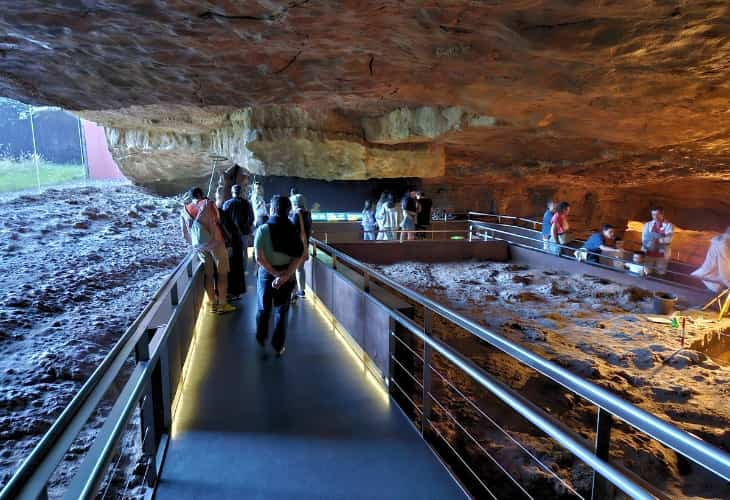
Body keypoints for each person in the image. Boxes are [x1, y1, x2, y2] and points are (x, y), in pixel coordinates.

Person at [254, 195, 306, 356]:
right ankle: (278, 345)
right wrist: (285, 275)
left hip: (267, 275)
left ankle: (261, 337)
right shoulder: (293, 230)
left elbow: (259, 258)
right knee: (282, 311)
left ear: (273, 209)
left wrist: (274, 273)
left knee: (263, 308)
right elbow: (299, 255)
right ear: (288, 210)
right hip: (286, 273)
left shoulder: (263, 229)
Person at [180, 187, 236, 314]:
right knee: (222, 274)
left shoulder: (184, 210)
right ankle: (222, 304)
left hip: (199, 247)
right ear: (201, 194)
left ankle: (211, 304)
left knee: (208, 275)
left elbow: (184, 234)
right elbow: (218, 219)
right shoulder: (208, 203)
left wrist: (196, 243)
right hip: (216, 243)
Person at [223, 184, 255, 293]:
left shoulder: (227, 203)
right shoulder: (246, 203)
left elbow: (224, 218)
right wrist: (247, 226)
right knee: (244, 251)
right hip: (244, 232)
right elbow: (252, 217)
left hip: (232, 233)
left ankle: (234, 271)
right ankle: (244, 270)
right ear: (240, 192)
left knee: (234, 252)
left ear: (232, 192)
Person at [691, 228, 730, 292]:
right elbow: (724, 273)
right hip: (710, 282)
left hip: (709, 280)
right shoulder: (724, 245)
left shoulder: (724, 241)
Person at [289, 193, 312, 301]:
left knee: (292, 269)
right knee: (300, 269)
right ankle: (301, 290)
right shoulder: (308, 214)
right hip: (305, 244)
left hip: (295, 246)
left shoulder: (296, 215)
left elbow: (293, 231)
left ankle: (293, 293)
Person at [641, 206, 674, 275]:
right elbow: (644, 239)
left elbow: (669, 239)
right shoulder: (647, 225)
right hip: (649, 253)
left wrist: (657, 240)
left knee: (661, 272)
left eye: (657, 214)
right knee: (647, 271)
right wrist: (660, 239)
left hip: (661, 255)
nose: (655, 217)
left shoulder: (668, 225)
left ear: (662, 214)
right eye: (653, 214)